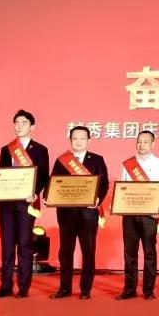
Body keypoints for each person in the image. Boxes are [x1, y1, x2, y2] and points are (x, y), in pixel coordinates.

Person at [0, 109, 50, 299]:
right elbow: (1, 174)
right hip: (6, 204)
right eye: (16, 123)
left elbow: (43, 176)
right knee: (7, 246)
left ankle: (24, 287)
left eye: (24, 123)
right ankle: (5, 286)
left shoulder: (40, 150)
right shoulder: (6, 149)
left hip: (27, 203)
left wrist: (34, 192)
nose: (19, 126)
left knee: (25, 245)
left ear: (32, 127)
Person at [46, 125, 109, 300]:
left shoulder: (97, 160)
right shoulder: (62, 161)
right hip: (66, 214)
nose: (79, 142)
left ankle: (85, 289)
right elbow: (53, 182)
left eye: (82, 138)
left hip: (88, 214)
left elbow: (104, 183)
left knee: (88, 251)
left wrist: (98, 199)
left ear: (89, 140)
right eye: (75, 138)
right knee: (66, 252)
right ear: (70, 140)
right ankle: (64, 288)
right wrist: (47, 197)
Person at [117, 130, 159, 300]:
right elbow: (123, 188)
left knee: (149, 252)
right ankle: (129, 289)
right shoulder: (128, 164)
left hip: (150, 215)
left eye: (146, 142)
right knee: (129, 253)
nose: (141, 145)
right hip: (130, 214)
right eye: (139, 141)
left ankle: (148, 290)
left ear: (153, 144)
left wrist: (157, 209)